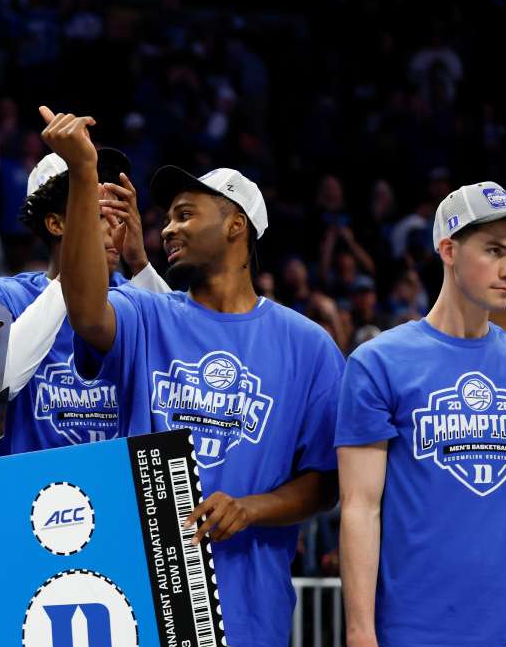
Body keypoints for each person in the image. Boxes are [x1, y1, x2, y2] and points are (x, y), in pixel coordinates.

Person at [48, 106, 342, 646]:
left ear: (236, 226)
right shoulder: (147, 313)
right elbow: (87, 312)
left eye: (185, 214)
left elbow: (325, 482)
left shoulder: (310, 347)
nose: (167, 228)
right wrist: (83, 175)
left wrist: (252, 508)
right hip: (139, 599)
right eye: (168, 218)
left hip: (250, 610)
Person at [337, 182, 506, 647]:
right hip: (413, 630)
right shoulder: (378, 363)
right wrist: (360, 633)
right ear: (448, 249)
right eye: (494, 251)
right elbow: (360, 508)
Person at [0, 149, 170, 455]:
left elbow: (180, 360)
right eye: (97, 215)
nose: (113, 227)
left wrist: (140, 263)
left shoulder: (134, 300)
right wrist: (74, 276)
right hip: (29, 492)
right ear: (56, 223)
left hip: (121, 491)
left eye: (116, 213)